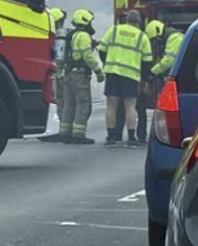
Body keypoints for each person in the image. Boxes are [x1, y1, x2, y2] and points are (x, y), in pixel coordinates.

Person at [99, 10, 153, 148]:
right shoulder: (142, 36)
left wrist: (107, 62)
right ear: (139, 22)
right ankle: (131, 138)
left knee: (111, 105)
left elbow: (102, 49)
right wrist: (144, 79)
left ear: (126, 20)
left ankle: (111, 137)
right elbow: (147, 61)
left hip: (113, 73)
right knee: (130, 107)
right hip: (131, 75)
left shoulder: (114, 30)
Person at [59, 9, 105, 144]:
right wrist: (98, 71)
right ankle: (78, 135)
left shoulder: (70, 35)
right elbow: (87, 56)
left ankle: (65, 133)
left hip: (68, 73)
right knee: (83, 104)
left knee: (69, 104)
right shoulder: (84, 36)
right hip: (80, 75)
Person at [39, 8, 68, 142]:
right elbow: (60, 57)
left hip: (47, 71)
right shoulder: (61, 36)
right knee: (58, 101)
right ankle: (54, 130)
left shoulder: (47, 33)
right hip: (56, 73)